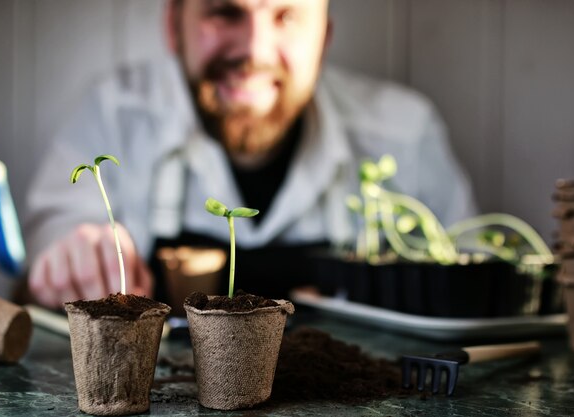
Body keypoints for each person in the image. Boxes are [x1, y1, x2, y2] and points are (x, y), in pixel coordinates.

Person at [24, 0, 477, 308]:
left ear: (325, 36)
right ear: (172, 26)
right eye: (224, 11)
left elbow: (472, 281)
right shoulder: (114, 115)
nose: (255, 51)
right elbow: (52, 232)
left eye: (286, 16)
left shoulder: (404, 132)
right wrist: (74, 251)